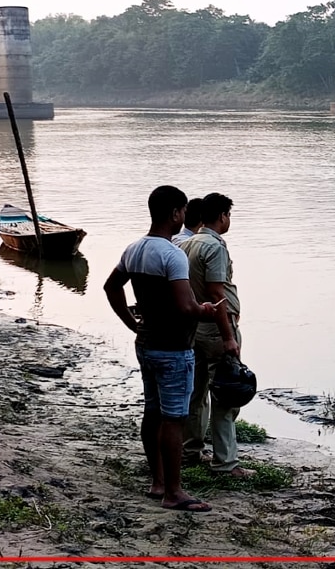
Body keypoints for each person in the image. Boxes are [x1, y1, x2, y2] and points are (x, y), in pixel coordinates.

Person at [103, 185, 218, 512]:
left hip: (147, 343)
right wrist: (205, 310)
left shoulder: (134, 249)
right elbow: (185, 308)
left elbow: (111, 287)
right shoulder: (172, 255)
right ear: (176, 214)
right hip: (173, 348)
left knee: (153, 413)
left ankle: (158, 482)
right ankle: (174, 492)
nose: (184, 216)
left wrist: (130, 322)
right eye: (182, 211)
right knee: (174, 419)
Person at [179, 192, 255, 478]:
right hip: (215, 327)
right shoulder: (214, 247)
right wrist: (228, 337)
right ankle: (225, 463)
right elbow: (217, 294)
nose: (229, 220)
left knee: (196, 392)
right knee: (226, 392)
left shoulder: (187, 244)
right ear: (223, 216)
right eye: (229, 215)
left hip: (193, 326)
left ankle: (190, 451)